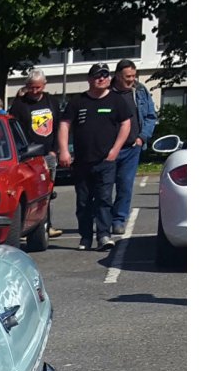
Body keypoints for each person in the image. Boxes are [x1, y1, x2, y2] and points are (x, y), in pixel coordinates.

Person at [57, 63, 131, 251]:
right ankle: (85, 237)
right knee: (83, 201)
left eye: (105, 75)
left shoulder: (116, 100)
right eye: (98, 76)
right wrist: (64, 150)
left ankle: (104, 235)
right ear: (89, 79)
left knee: (104, 199)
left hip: (106, 161)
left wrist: (116, 149)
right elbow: (65, 125)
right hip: (82, 161)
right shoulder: (78, 101)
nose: (102, 79)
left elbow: (126, 124)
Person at [8, 69, 62, 238]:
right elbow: (13, 129)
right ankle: (29, 224)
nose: (35, 91)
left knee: (47, 191)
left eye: (38, 87)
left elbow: (59, 126)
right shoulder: (20, 104)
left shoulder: (51, 102)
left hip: (48, 152)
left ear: (44, 85)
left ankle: (47, 225)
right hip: (28, 155)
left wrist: (55, 150)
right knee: (32, 191)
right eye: (31, 87)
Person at [110, 59, 156, 235]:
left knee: (125, 185)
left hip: (131, 148)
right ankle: (102, 219)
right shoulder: (106, 92)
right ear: (117, 76)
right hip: (108, 149)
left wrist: (142, 138)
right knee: (103, 187)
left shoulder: (140, 91)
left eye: (133, 76)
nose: (131, 80)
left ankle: (119, 219)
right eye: (127, 77)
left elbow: (151, 116)